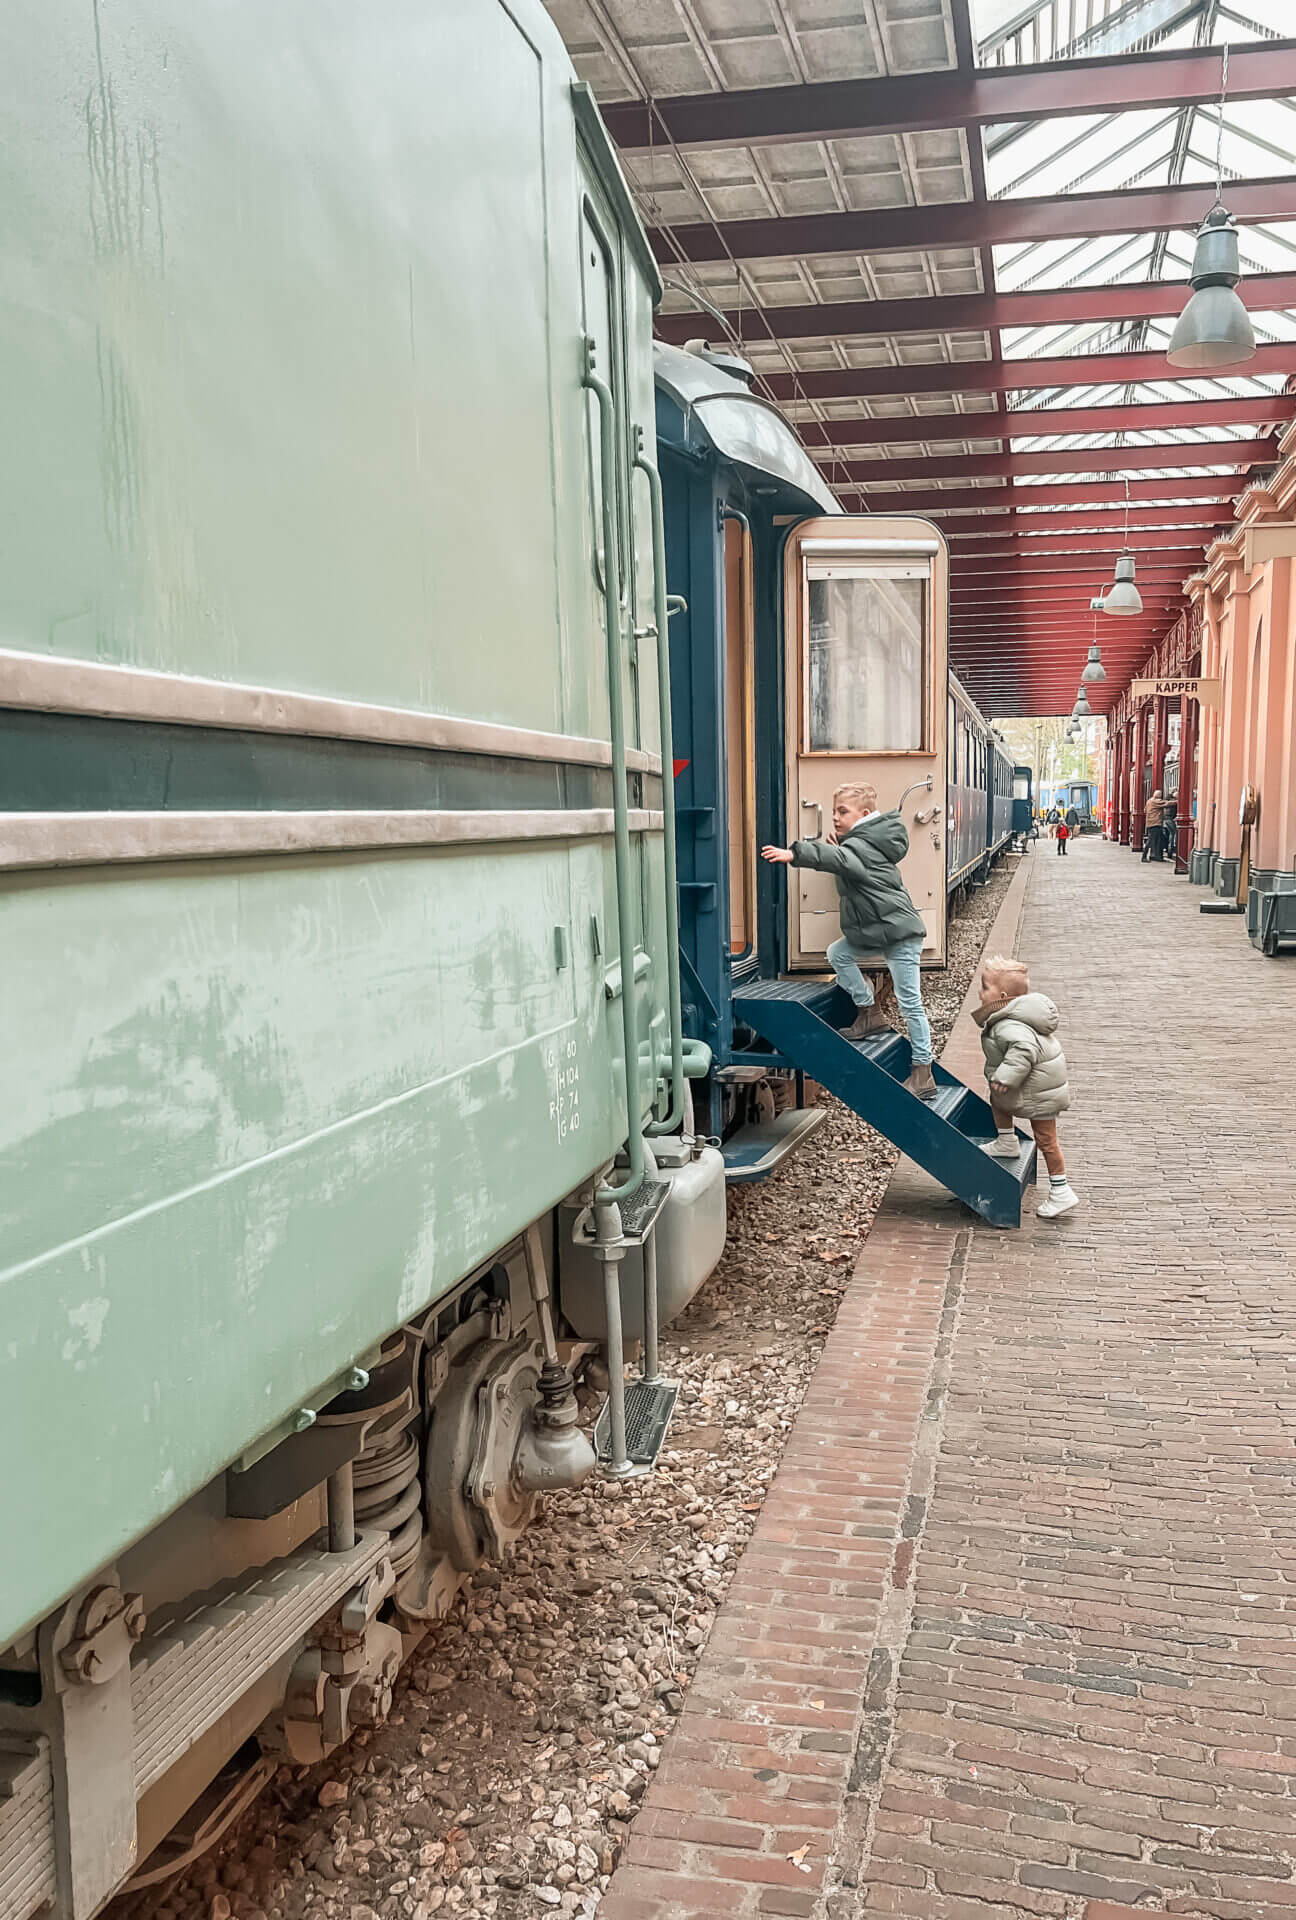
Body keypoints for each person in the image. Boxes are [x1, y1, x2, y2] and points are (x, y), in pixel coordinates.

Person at [761, 783, 937, 1101]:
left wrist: (794, 854)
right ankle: (869, 1013)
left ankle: (923, 1072)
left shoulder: (860, 848)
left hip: (900, 935)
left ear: (865, 815)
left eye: (843, 812)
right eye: (835, 812)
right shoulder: (863, 844)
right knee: (838, 953)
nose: (836, 818)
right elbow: (847, 865)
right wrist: (841, 846)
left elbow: (841, 861)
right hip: (880, 930)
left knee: (911, 1003)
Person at [975, 954, 1078, 1220]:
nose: (980, 992)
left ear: (1003, 995)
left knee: (1046, 1139)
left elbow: (1024, 1049)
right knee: (997, 1100)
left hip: (1041, 1092)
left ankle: (1061, 1191)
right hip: (1034, 1085)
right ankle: (1007, 1141)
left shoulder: (1009, 1024)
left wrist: (1005, 1077)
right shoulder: (1009, 1017)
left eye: (985, 987)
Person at [1143, 789, 1166, 862]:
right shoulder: (1155, 801)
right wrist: (1178, 801)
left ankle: (1155, 855)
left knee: (1157, 840)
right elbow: (1167, 803)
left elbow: (1145, 810)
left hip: (1150, 823)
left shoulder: (1149, 801)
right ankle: (1144, 856)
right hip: (1155, 823)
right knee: (1150, 840)